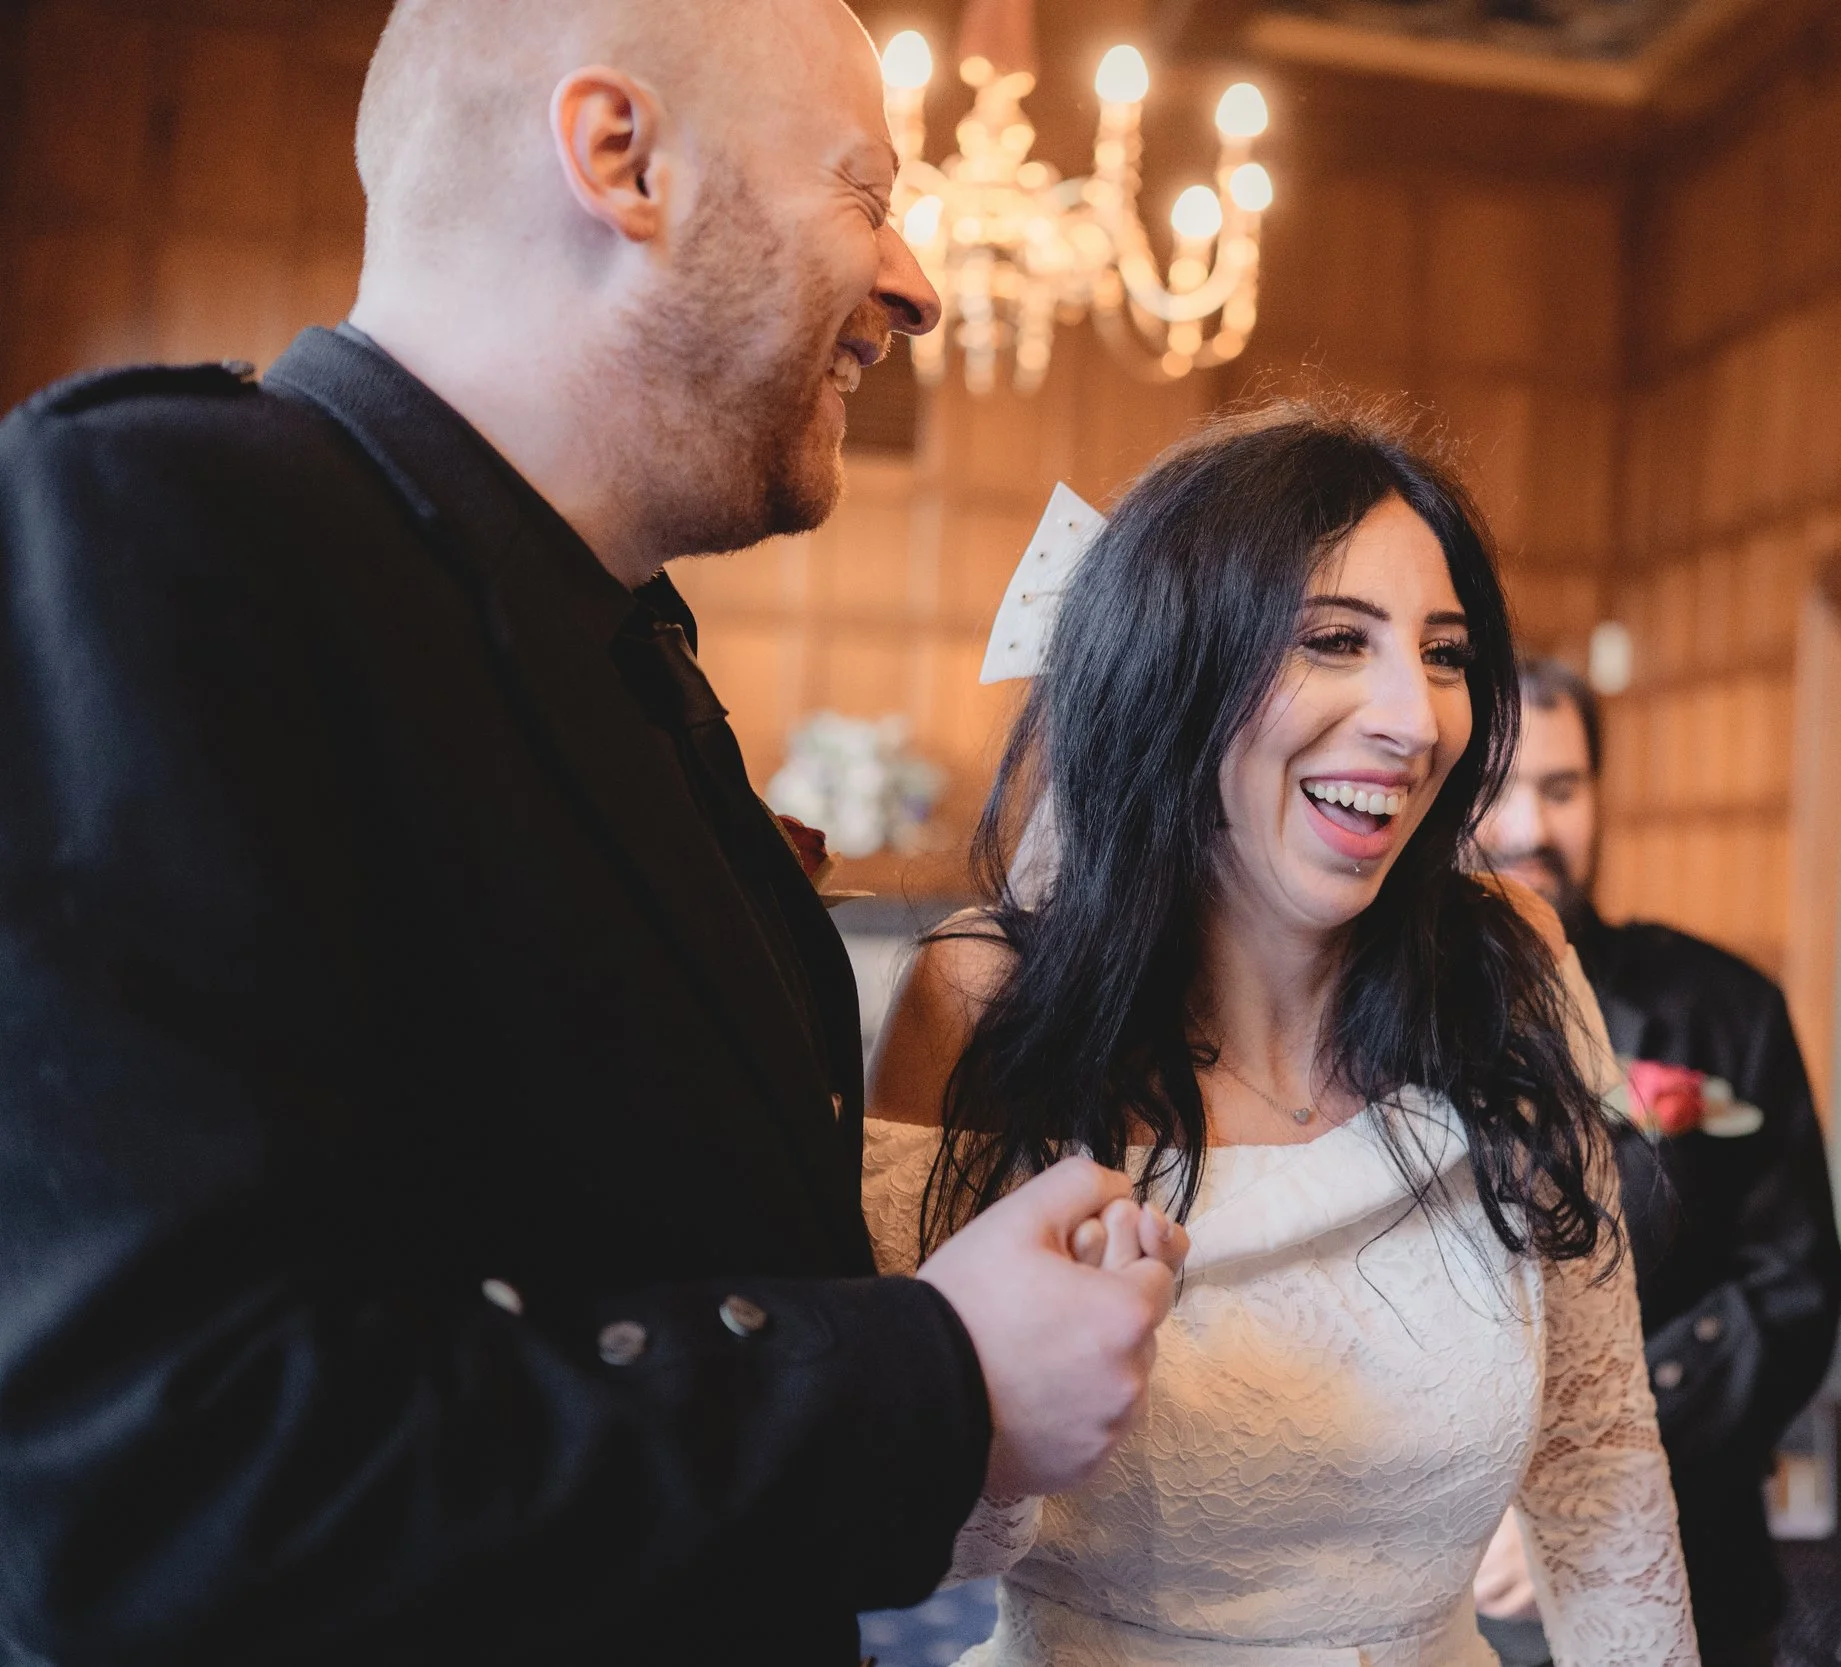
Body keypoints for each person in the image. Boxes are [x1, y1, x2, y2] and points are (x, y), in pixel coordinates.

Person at [0, 2, 1178, 1661]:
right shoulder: (155, 534)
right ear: (622, 159)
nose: (916, 282)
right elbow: (157, 1480)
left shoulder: (632, 654)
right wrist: (937, 1374)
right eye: (864, 193)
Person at [861, 402, 1701, 1665]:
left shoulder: (1506, 962)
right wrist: (1009, 1410)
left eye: (1443, 652)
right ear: (1173, 667)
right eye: (1332, 640)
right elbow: (902, 1532)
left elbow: (1597, 1455)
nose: (1414, 719)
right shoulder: (984, 997)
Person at [1472, 657, 1841, 1667]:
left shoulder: (1725, 1008)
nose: (1529, 827)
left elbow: (1793, 1289)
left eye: (1560, 788)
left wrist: (1582, 1485)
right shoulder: (1352, 1022)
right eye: (1494, 787)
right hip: (1427, 1593)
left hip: (1688, 1570)